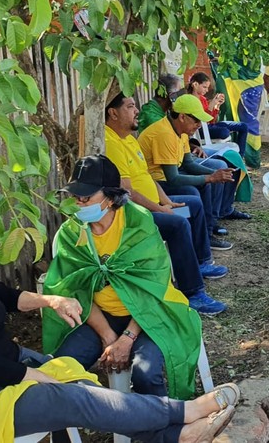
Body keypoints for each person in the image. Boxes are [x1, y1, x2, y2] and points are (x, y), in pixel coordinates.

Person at [0, 204, 239, 442]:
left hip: (5, 369)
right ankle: (185, 413)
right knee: (71, 397)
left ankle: (174, 436)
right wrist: (34, 376)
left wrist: (50, 300)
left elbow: (8, 296)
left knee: (78, 380)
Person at [47, 154, 204, 401]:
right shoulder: (71, 232)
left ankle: (166, 429)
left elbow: (153, 286)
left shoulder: (137, 223)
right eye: (74, 198)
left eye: (86, 198)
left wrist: (127, 339)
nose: (78, 205)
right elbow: (76, 292)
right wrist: (108, 336)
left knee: (146, 373)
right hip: (98, 315)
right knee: (58, 372)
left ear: (110, 198)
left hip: (150, 311)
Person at [104, 93, 231, 315]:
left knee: (192, 203)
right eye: (131, 106)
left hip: (153, 203)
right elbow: (127, 192)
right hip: (132, 213)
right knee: (178, 223)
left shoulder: (129, 139)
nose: (137, 111)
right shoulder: (110, 142)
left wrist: (167, 201)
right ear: (112, 113)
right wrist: (159, 209)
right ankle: (192, 293)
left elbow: (147, 177)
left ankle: (201, 262)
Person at [152, 94, 245, 240]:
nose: (199, 125)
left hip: (164, 179)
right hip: (156, 184)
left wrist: (216, 174)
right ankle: (199, 233)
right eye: (196, 120)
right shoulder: (165, 134)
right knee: (193, 192)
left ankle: (208, 227)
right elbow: (173, 179)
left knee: (207, 182)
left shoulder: (180, 131)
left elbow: (189, 164)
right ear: (182, 117)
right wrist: (210, 177)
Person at [186, 72, 250, 158]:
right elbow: (204, 120)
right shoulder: (190, 100)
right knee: (224, 132)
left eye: (207, 87)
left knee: (243, 126)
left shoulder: (203, 98)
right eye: (204, 87)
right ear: (195, 84)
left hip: (210, 125)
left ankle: (240, 156)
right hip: (200, 129)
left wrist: (217, 106)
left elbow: (212, 120)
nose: (207, 90)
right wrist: (212, 104)